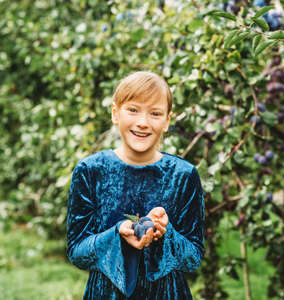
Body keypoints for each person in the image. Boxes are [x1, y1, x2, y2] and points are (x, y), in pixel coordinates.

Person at [66, 71, 205, 299]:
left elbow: (193, 257)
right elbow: (77, 252)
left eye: (155, 113)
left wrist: (165, 232)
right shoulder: (90, 171)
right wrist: (116, 235)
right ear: (115, 113)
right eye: (133, 110)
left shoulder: (183, 175)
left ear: (168, 121)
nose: (143, 122)